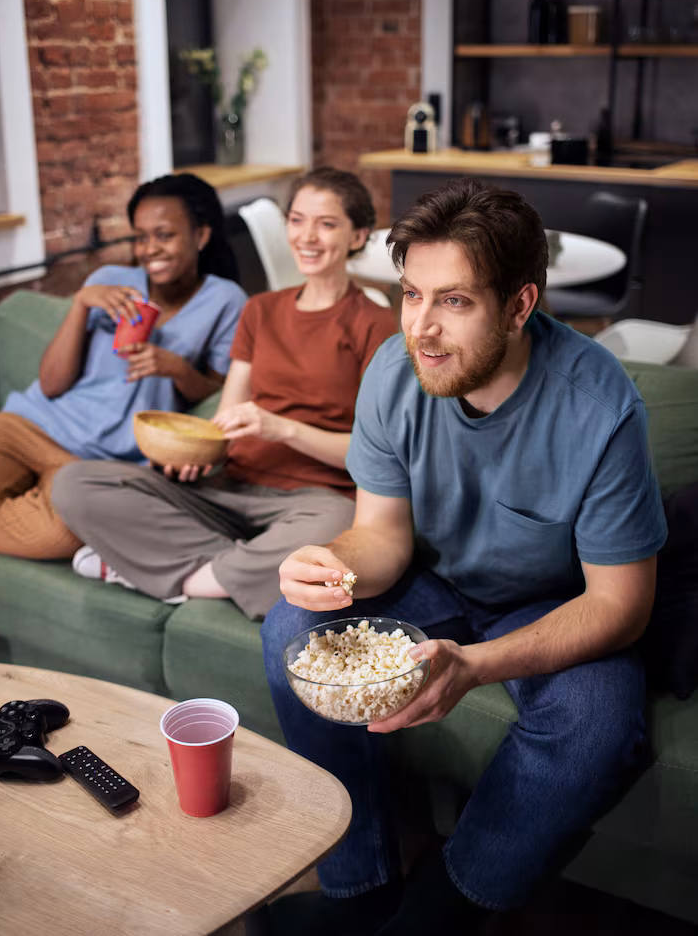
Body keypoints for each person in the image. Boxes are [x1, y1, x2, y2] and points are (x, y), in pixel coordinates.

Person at [260, 178, 667, 936]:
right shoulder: (394, 372)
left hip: (554, 602)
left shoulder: (600, 406)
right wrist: (331, 563)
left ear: (520, 305)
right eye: (412, 295)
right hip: (431, 582)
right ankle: (359, 887)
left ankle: (444, 908)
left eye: (454, 301)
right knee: (290, 630)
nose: (422, 327)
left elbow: (621, 604)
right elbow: (381, 536)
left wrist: (475, 666)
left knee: (598, 721)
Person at [52, 167, 398, 619]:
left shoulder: (376, 324)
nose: (307, 237)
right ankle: (240, 569)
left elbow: (374, 457)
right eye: (297, 220)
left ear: (358, 236)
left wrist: (280, 428)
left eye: (327, 224)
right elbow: (226, 419)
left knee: (339, 528)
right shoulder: (260, 310)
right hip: (229, 488)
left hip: (314, 501)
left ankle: (179, 578)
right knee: (75, 484)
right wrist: (194, 455)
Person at [0, 173, 247, 650]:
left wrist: (176, 369)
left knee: (56, 535)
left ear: (201, 235)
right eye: (141, 236)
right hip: (26, 425)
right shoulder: (109, 282)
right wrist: (80, 305)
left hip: (95, 464)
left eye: (165, 234)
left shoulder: (225, 300)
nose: (149, 249)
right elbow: (51, 384)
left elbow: (220, 389)